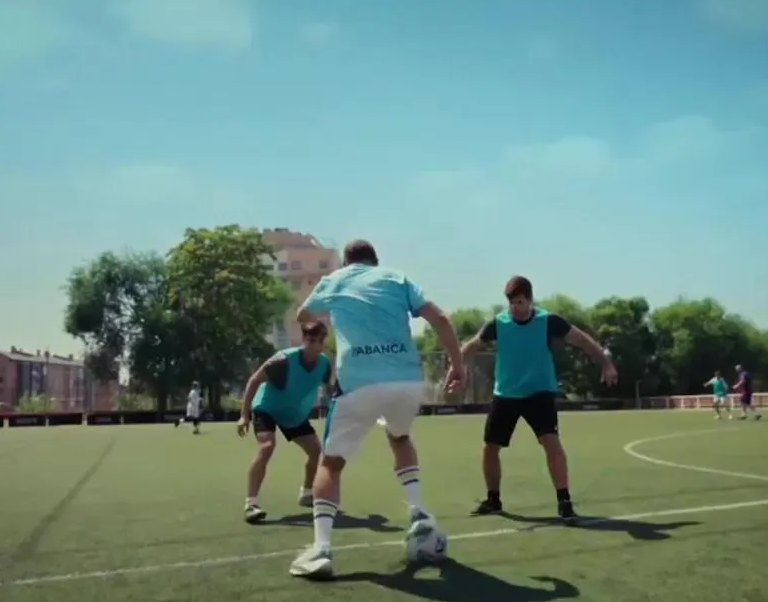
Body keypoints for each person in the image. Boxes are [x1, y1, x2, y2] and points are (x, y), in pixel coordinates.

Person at [287, 239, 464, 579]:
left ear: (346, 262)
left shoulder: (334, 280)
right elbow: (440, 318)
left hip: (358, 384)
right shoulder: (396, 277)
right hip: (406, 382)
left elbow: (302, 315)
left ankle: (321, 549)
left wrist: (334, 312)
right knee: (400, 437)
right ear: (375, 261)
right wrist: (457, 365)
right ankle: (419, 514)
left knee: (331, 463)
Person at [461, 275, 617, 525]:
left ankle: (564, 502)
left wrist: (605, 363)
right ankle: (493, 499)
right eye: (512, 303)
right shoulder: (498, 324)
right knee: (490, 447)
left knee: (551, 442)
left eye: (520, 302)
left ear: (530, 300)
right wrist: (455, 370)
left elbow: (582, 341)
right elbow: (471, 346)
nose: (516, 308)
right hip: (506, 394)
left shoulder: (549, 321)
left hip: (539, 393)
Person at [236, 321, 334, 524]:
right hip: (267, 407)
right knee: (267, 446)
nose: (314, 345)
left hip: (293, 413)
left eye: (318, 341)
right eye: (310, 340)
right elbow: (254, 380)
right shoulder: (283, 360)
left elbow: (330, 389)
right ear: (303, 339)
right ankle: (251, 504)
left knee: (315, 451)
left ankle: (307, 493)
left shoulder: (324, 364)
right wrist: (244, 415)